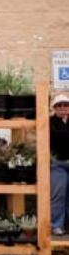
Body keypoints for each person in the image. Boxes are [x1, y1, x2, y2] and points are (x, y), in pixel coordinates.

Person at [50, 93, 69, 235]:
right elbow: (56, 137)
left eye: (65, 105)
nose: (62, 107)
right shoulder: (50, 122)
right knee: (58, 194)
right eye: (59, 105)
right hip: (58, 162)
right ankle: (56, 225)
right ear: (54, 108)